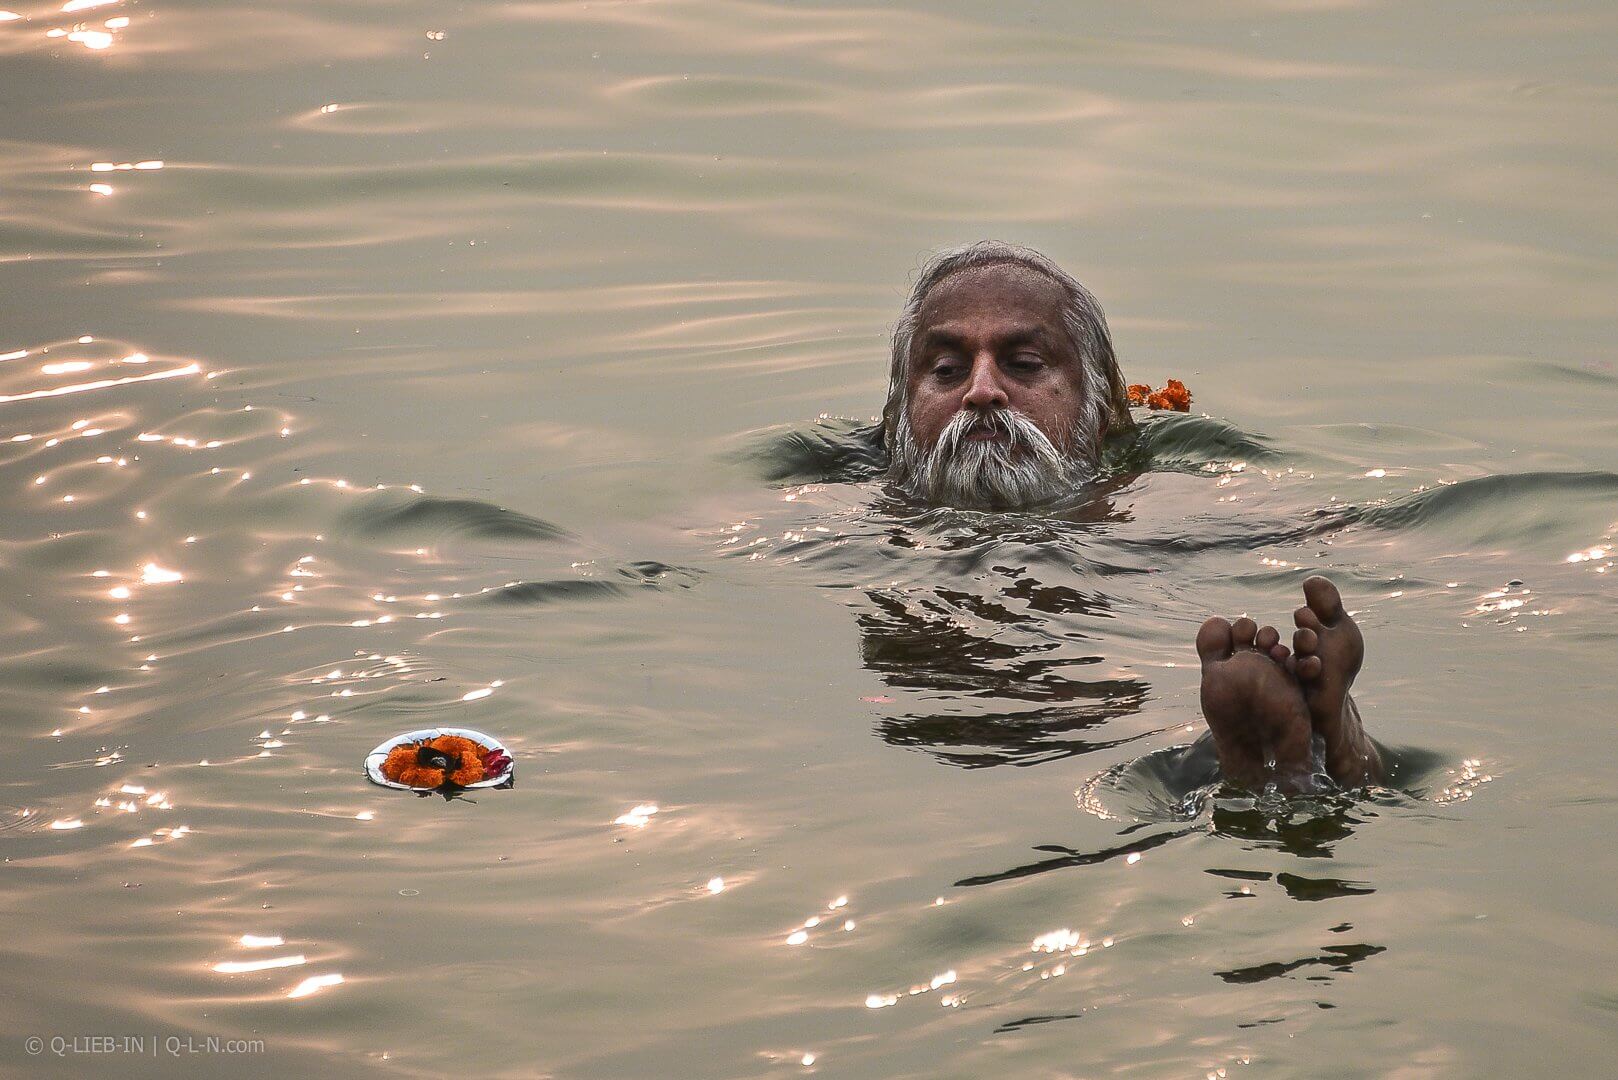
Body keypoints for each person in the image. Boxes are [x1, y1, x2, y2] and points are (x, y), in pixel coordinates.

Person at [881, 241, 1382, 793]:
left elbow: (1342, 528)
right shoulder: (1172, 507)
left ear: (1102, 413)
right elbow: (1376, 538)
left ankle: (1278, 755)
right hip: (1120, 649)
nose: (981, 391)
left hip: (1055, 661)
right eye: (947, 370)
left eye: (1024, 365)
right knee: (1168, 751)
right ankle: (1305, 759)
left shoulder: (1164, 501)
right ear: (897, 422)